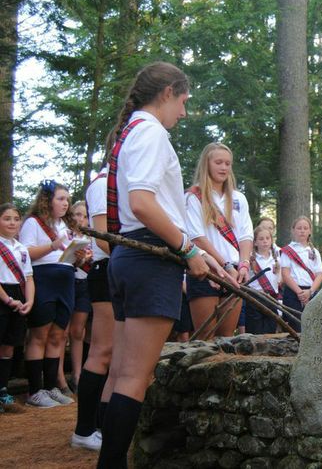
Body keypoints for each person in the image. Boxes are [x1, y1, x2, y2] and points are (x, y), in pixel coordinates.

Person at [97, 62, 233, 467]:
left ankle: (109, 458)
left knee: (121, 372)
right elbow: (143, 203)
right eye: (184, 101)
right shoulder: (152, 133)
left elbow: (150, 209)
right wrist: (188, 252)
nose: (185, 113)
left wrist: (198, 251)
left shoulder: (132, 132)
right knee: (136, 377)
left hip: (127, 257)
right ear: (169, 92)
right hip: (149, 259)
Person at [185, 142, 254, 339]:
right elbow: (197, 237)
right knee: (205, 336)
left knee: (227, 337)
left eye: (228, 163)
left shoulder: (239, 198)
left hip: (235, 272)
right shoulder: (194, 197)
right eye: (218, 162)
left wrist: (243, 264)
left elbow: (246, 235)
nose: (224, 167)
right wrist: (223, 266)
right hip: (206, 269)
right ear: (207, 164)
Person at [19, 180, 77, 408]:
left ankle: (51, 387)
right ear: (47, 200)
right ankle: (35, 390)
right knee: (39, 335)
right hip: (43, 279)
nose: (66, 203)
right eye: (61, 199)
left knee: (57, 335)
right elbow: (25, 253)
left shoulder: (66, 225)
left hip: (66, 279)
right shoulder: (34, 223)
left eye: (67, 199)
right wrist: (53, 246)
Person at [71, 165, 114, 451]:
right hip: (107, 270)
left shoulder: (119, 181)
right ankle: (84, 429)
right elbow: (104, 239)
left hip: (118, 268)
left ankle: (102, 425)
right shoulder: (102, 184)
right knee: (102, 350)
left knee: (118, 355)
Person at [0, 203, 35, 410]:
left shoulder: (21, 248)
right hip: (3, 296)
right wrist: (7, 300)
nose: (12, 222)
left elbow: (28, 277)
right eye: (6, 218)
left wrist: (29, 301)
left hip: (18, 296)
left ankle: (2, 390)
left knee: (9, 346)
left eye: (15, 219)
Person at [67, 201, 93, 395]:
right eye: (76, 214)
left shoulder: (92, 238)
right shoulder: (63, 235)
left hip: (86, 285)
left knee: (79, 331)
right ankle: (61, 377)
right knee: (62, 331)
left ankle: (78, 374)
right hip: (67, 283)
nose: (80, 219)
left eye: (84, 215)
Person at [279, 216, 322, 333]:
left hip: (311, 292)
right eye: (299, 228)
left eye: (305, 228)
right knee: (295, 328)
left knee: (312, 328)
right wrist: (299, 292)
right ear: (293, 230)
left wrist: (310, 291)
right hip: (293, 293)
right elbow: (285, 274)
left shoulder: (314, 252)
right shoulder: (287, 250)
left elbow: (319, 275)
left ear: (310, 231)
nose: (302, 231)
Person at [245, 225, 281, 334]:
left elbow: (279, 282)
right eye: (261, 239)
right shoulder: (250, 258)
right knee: (255, 331)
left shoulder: (277, 259)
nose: (265, 241)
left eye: (267, 238)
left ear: (271, 240)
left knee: (270, 331)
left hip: (271, 299)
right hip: (254, 298)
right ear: (255, 242)